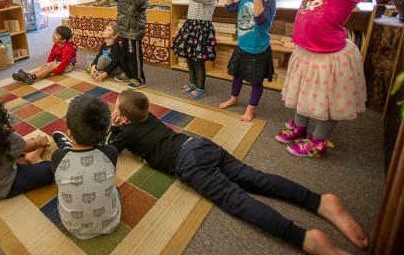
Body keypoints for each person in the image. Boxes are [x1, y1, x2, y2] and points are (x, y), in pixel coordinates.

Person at [108, 90, 369, 254]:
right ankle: (320, 201)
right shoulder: (147, 116)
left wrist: (113, 127)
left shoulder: (123, 132)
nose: (113, 110)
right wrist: (123, 116)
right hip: (198, 144)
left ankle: (303, 238)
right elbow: (134, 112)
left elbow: (108, 153)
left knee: (237, 201)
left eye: (116, 108)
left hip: (187, 163)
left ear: (125, 118)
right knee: (255, 178)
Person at [277, 0, 388, 158]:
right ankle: (300, 125)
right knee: (303, 93)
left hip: (329, 57)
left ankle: (318, 139)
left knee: (326, 102)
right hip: (307, 52)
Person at [219, 0, 282, 122]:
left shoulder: (269, 2)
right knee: (237, 75)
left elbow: (261, 19)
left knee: (256, 82)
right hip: (242, 46)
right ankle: (234, 98)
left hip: (259, 50)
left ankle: (251, 108)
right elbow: (229, 8)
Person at [51, 94, 120, 239]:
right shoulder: (111, 153)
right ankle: (69, 143)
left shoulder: (58, 157)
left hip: (72, 228)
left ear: (69, 132)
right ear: (107, 131)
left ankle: (65, 143)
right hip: (111, 223)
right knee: (115, 189)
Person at [172, 0, 220, 100]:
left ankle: (200, 87)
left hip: (201, 30)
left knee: (198, 61)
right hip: (191, 28)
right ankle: (192, 83)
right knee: (189, 58)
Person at [113, 0, 150, 90]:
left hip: (134, 30)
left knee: (134, 56)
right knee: (125, 55)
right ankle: (128, 74)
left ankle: (139, 79)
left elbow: (139, 2)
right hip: (123, 29)